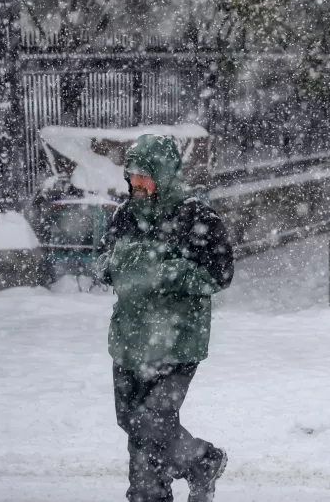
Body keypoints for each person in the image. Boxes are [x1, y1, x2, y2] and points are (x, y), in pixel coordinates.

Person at [98, 134, 234, 502]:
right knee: (132, 421)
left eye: (144, 175)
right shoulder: (125, 215)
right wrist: (116, 267)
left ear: (164, 173)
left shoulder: (195, 215)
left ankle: (159, 487)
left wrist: (168, 272)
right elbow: (102, 262)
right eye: (131, 175)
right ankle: (179, 475)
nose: (135, 183)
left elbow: (220, 274)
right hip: (129, 338)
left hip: (177, 340)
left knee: (151, 421)